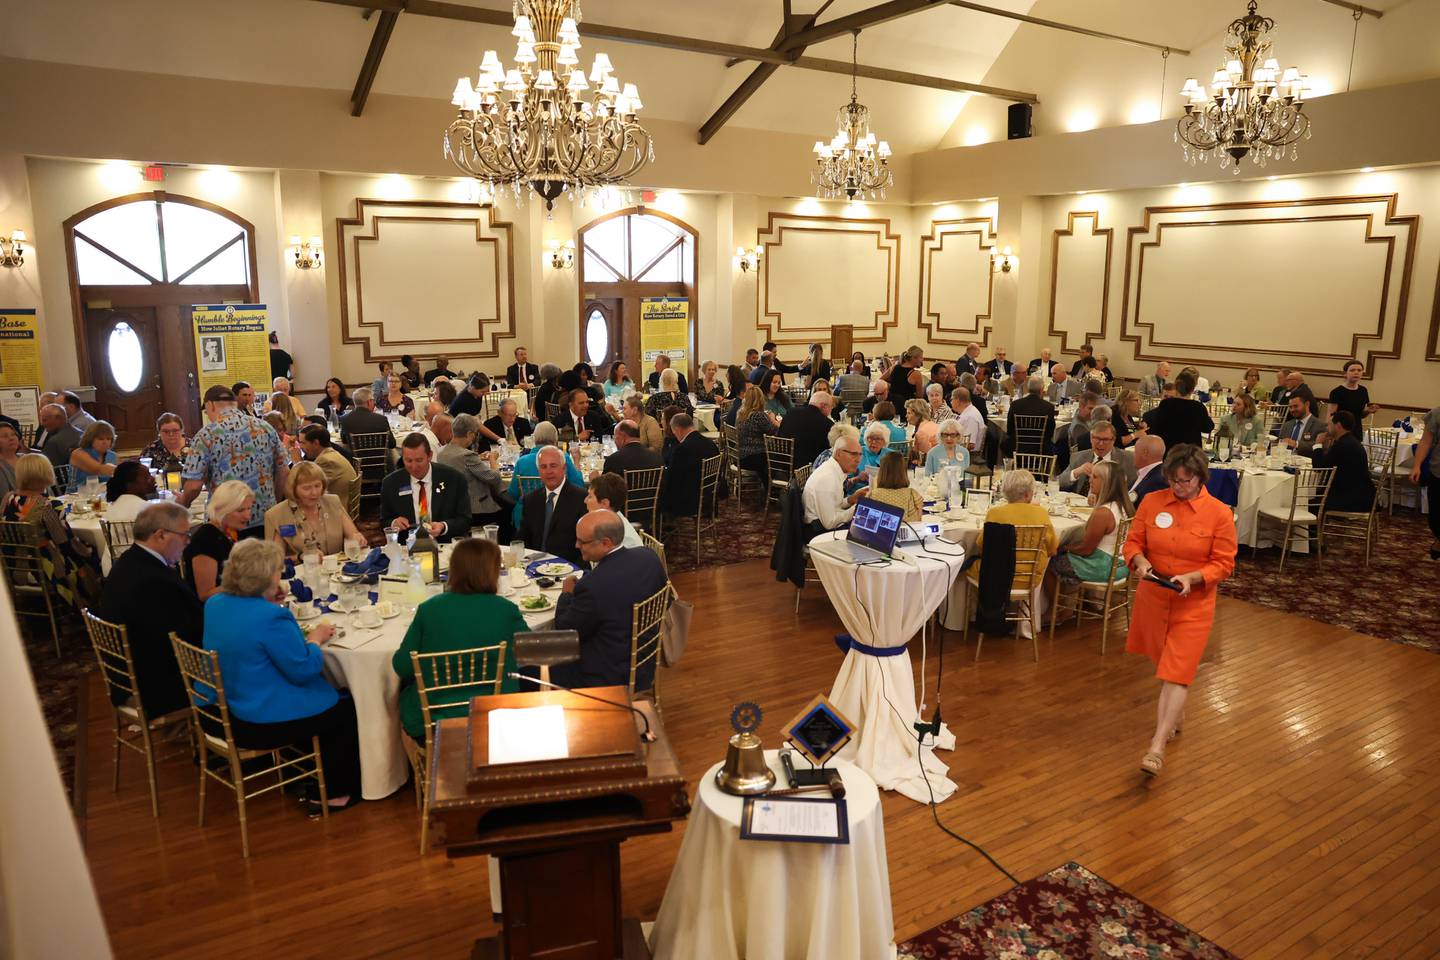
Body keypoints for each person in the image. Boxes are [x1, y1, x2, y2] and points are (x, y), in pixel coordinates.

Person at [202, 538, 360, 808]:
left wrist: (269, 602)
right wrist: (316, 639)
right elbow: (304, 670)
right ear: (264, 577)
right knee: (344, 708)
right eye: (277, 571)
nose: (281, 576)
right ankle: (334, 793)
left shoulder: (215, 604)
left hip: (219, 709)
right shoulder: (271, 618)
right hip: (256, 721)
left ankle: (298, 770)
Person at [1124, 444, 1237, 777]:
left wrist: (1194, 577)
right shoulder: (1152, 501)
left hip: (1194, 605)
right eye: (1174, 481)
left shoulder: (1219, 513)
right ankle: (1175, 714)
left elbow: (1224, 564)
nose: (1179, 487)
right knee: (1165, 665)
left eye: (1186, 481)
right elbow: (1133, 542)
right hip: (1154, 600)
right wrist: (1140, 561)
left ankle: (1156, 747)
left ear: (1200, 478)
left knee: (1177, 671)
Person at [392, 538, 524, 740]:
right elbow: (530, 651)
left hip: (435, 722)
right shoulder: (506, 610)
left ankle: (418, 770)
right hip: (494, 715)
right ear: (492, 572)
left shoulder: (429, 610)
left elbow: (402, 666)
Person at [98, 502, 201, 720]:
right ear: (161, 535)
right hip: (155, 688)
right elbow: (183, 640)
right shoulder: (153, 581)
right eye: (184, 534)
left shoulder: (129, 561)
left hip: (131, 676)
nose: (188, 541)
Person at [549, 511, 669, 691]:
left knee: (530, 668)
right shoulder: (649, 557)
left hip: (607, 674)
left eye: (582, 541)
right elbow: (664, 604)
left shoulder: (592, 587)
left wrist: (566, 595)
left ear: (606, 543)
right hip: (645, 659)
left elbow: (566, 632)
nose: (576, 545)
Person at [178, 385, 290, 530]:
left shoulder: (206, 435)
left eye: (206, 412)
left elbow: (193, 486)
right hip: (266, 518)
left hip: (225, 523)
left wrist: (183, 503)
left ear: (210, 405)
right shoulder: (266, 428)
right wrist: (272, 501)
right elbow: (284, 471)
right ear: (235, 403)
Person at [1, 454, 100, 607]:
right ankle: (89, 608)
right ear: (47, 473)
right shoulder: (48, 504)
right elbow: (65, 541)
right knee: (92, 556)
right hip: (43, 569)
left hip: (13, 565)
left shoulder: (9, 498)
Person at [964, 469, 1059, 593]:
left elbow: (982, 546)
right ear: (1027, 494)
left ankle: (966, 609)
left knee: (965, 566)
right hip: (1030, 578)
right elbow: (1052, 549)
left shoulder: (995, 513)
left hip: (996, 576)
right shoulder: (1041, 514)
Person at [1050, 460, 1133, 590]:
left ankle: (1055, 608)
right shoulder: (1123, 506)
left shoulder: (1103, 513)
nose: (1090, 481)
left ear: (1107, 482)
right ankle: (1071, 603)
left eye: (1095, 477)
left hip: (1104, 567)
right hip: (1122, 564)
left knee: (1050, 559)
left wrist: (1064, 547)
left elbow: (1085, 550)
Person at [381, 434, 471, 543]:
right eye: (408, 461)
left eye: (419, 460)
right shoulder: (391, 483)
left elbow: (465, 520)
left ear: (430, 456)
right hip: (408, 545)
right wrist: (394, 523)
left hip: (444, 542)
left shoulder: (454, 479)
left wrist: (443, 526)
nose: (414, 467)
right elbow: (384, 520)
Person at [264, 461, 363, 558]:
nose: (314, 492)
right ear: (293, 489)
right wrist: (301, 557)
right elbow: (275, 559)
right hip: (302, 571)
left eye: (317, 486)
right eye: (306, 488)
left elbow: (353, 534)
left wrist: (357, 539)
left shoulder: (332, 502)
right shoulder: (277, 515)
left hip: (336, 570)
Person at [438, 414, 510, 538]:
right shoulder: (467, 456)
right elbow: (494, 478)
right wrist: (493, 459)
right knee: (509, 510)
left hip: (451, 507)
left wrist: (479, 458)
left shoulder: (442, 452)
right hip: (476, 509)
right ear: (470, 434)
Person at [183, 479, 253, 602]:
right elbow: (205, 595)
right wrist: (246, 581)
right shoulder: (206, 541)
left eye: (249, 509)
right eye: (240, 510)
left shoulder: (232, 532)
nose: (248, 516)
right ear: (222, 509)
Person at [505, 422, 584, 528]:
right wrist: (577, 462)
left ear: (535, 439)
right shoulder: (562, 458)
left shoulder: (522, 461)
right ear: (555, 439)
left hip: (524, 517)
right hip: (558, 515)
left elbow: (513, 493)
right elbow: (579, 486)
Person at [518, 446, 588, 565]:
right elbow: (522, 539)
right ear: (538, 471)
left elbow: (586, 545)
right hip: (534, 566)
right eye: (543, 467)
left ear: (564, 468)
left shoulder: (581, 498)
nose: (548, 471)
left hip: (568, 567)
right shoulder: (531, 500)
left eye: (553, 466)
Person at [1309, 411, 1375, 514]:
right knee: (1314, 498)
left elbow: (1318, 467)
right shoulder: (1352, 441)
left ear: (1338, 425)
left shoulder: (1342, 445)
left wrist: (1318, 444)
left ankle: (1313, 530)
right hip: (1362, 495)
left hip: (1350, 500)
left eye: (1330, 424)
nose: (1327, 427)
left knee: (1304, 504)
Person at [661, 413, 720, 519]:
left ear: (678, 429)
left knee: (658, 495)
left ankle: (662, 528)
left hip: (690, 502)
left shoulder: (682, 449)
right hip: (709, 497)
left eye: (674, 432)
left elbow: (672, 479)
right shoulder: (710, 443)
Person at [1059, 422, 1136, 495]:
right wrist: (1076, 472)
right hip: (1078, 505)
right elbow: (1059, 482)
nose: (1101, 443)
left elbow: (1133, 490)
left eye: (1105, 439)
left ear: (1113, 440)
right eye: (1097, 438)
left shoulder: (1128, 459)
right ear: (1091, 438)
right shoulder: (1079, 457)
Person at [1145, 370, 1213, 450]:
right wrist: (1208, 416)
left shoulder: (1166, 404)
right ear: (1192, 389)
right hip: (1190, 452)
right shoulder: (1198, 407)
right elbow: (1208, 428)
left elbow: (1157, 423)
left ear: (1176, 387)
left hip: (1169, 449)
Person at [297, 424, 358, 501]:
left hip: (335, 508)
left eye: (303, 443)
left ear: (316, 443)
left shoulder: (326, 461)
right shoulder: (331, 453)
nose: (300, 447)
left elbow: (303, 485)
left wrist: (298, 462)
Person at [1411, 404, 1440, 560]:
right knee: (1436, 515)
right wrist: (1417, 466)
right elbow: (1425, 442)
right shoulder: (1436, 414)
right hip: (1438, 472)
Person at [585, 473, 644, 549]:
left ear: (605, 503)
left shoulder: (623, 541)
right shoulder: (606, 521)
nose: (585, 500)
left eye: (590, 497)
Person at [778, 391, 834, 468]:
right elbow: (828, 451)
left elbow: (779, 435)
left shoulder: (791, 413)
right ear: (823, 406)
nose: (830, 411)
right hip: (808, 468)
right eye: (831, 407)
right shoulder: (827, 424)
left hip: (782, 463)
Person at [1006, 377, 1056, 455]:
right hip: (1040, 448)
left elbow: (1009, 430)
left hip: (1016, 447)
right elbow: (1050, 432)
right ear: (1041, 390)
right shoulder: (1048, 407)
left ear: (1028, 389)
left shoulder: (1015, 404)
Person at [866, 452, 922, 520]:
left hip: (882, 530)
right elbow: (918, 519)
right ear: (904, 472)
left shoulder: (873, 495)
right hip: (908, 529)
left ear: (882, 472)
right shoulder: (912, 494)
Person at [338, 386, 396, 453]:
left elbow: (344, 440)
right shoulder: (381, 419)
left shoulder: (344, 419)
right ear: (369, 402)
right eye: (373, 400)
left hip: (356, 460)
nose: (374, 403)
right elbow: (392, 444)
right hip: (379, 459)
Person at [69, 419, 118, 491]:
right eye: (101, 439)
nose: (105, 442)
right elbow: (97, 469)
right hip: (76, 496)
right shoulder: (78, 453)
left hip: (102, 496)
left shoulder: (112, 455)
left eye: (108, 439)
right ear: (90, 439)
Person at [1328, 359, 1379, 424]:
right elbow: (1330, 417)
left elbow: (1360, 415)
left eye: (1359, 370)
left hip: (1357, 429)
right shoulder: (1337, 392)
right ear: (1345, 373)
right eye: (1352, 370)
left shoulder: (1363, 390)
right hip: (1341, 429)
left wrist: (1368, 411)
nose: (1356, 372)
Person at [36, 403, 81, 468]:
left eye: (44, 420)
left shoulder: (54, 442)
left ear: (58, 418)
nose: (42, 424)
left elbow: (46, 470)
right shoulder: (81, 433)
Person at [1129, 436, 1168, 505]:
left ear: (1145, 454)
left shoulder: (1159, 480)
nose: (1133, 455)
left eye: (1135, 451)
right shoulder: (1145, 475)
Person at [949, 387, 985, 452]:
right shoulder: (968, 412)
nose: (951, 402)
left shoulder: (970, 417)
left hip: (966, 454)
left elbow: (970, 444)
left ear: (957, 401)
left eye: (952, 399)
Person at [0, 422, 21, 501]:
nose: (11, 438)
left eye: (13, 434)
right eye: (5, 436)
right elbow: (5, 498)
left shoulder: (26, 458)